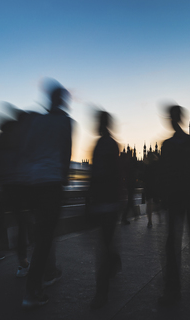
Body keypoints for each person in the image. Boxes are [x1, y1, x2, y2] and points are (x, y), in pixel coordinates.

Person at [20, 82, 73, 308]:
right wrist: (63, 178)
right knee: (45, 239)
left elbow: (28, 150)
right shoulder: (65, 121)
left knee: (39, 236)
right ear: (61, 100)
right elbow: (66, 151)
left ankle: (39, 279)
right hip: (52, 183)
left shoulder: (38, 121)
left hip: (34, 183)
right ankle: (34, 290)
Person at [158, 105, 190, 305]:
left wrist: (162, 196)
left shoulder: (168, 145)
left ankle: (173, 288)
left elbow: (163, 173)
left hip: (175, 197)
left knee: (172, 242)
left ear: (171, 119)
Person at [87, 110, 123, 309]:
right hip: (107, 200)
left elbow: (102, 173)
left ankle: (101, 294)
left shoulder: (104, 144)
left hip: (106, 201)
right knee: (106, 243)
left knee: (102, 246)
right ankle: (114, 261)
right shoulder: (107, 143)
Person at [143, 151, 161, 228]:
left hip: (148, 186)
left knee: (149, 203)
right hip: (155, 186)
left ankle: (150, 221)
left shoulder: (146, 166)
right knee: (156, 203)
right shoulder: (157, 165)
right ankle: (159, 217)